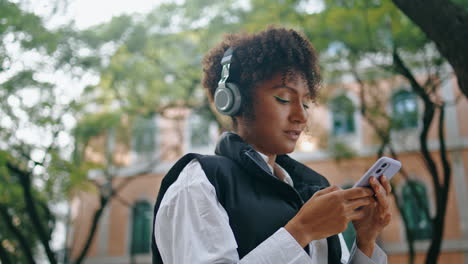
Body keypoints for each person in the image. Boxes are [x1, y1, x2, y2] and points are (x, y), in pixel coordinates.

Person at [151, 26, 392, 264]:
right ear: (234, 101)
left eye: (306, 103)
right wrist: (302, 231)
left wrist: (365, 242)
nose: (301, 115)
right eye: (284, 99)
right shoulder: (201, 182)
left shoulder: (313, 188)